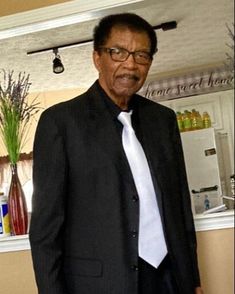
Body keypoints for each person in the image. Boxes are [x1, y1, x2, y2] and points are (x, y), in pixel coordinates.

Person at [29, 13, 203, 294]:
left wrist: (192, 279)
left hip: (170, 279)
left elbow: (180, 206)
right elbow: (45, 232)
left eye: (141, 55)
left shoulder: (163, 120)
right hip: (101, 284)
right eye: (118, 52)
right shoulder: (61, 123)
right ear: (97, 57)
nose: (130, 64)